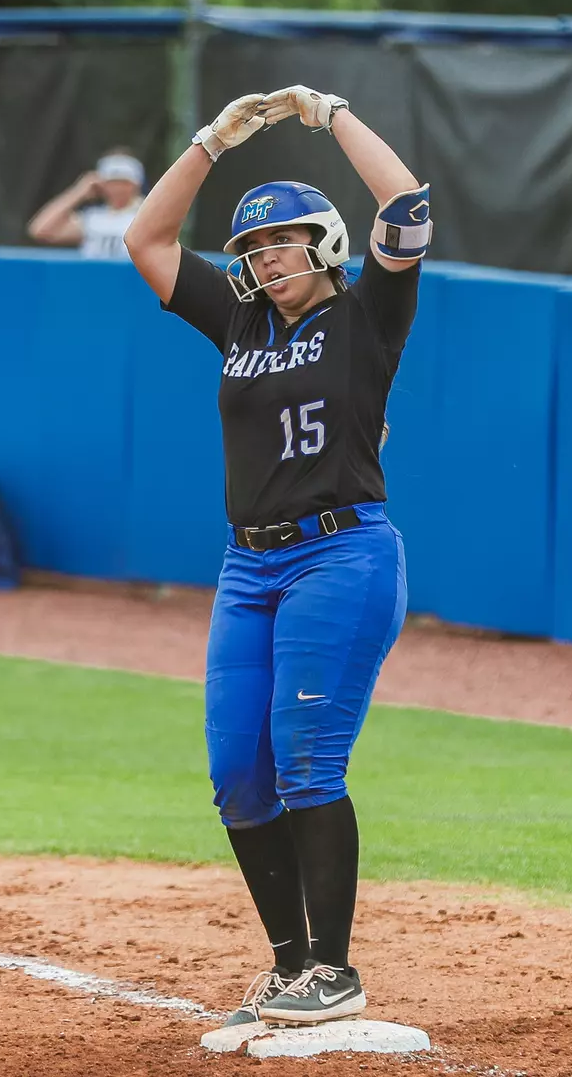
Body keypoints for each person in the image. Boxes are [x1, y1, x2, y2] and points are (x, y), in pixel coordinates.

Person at [123, 85, 432, 1029]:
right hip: (247, 567)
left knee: (306, 759)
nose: (264, 256)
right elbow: (145, 239)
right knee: (237, 771)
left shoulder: (367, 313)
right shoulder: (240, 319)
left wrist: (326, 114)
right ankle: (292, 964)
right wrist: (216, 140)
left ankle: (336, 968)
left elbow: (409, 208)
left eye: (282, 240)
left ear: (323, 242)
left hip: (341, 557)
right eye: (253, 246)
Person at [26, 149, 147, 258]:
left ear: (136, 184)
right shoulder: (93, 218)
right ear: (101, 185)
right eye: (112, 182)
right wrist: (78, 192)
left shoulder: (145, 216)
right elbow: (39, 230)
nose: (117, 188)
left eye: (123, 182)